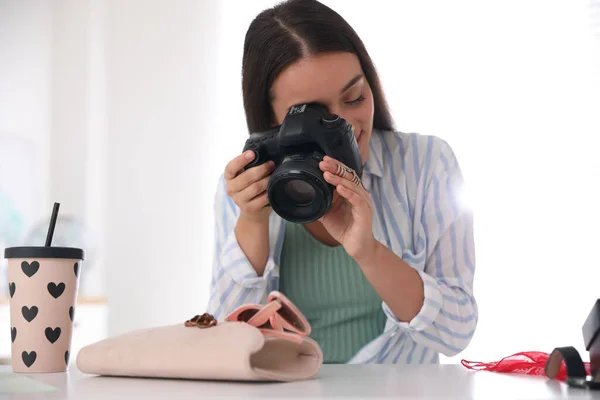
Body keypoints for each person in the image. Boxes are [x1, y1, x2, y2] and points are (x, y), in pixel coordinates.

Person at [207, 0, 477, 364]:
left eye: (355, 97)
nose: (347, 126)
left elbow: (457, 331)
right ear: (272, 120)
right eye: (315, 116)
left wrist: (369, 253)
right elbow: (223, 345)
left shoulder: (426, 164)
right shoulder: (248, 187)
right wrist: (253, 222)